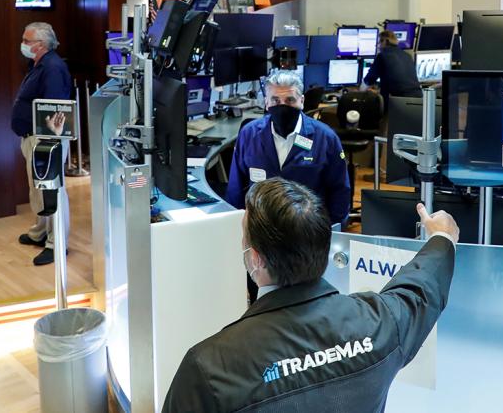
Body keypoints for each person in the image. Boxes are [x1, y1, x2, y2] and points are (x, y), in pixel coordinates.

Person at [162, 177, 458, 413]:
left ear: (255, 259)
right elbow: (420, 288)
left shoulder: (209, 368)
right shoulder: (380, 323)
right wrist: (442, 238)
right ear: (324, 250)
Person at [225, 69, 351, 223]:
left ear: (302, 101)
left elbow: (340, 192)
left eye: (290, 100)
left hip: (306, 229)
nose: (282, 106)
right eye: (275, 101)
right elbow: (235, 189)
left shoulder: (325, 138)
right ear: (266, 102)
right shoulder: (249, 134)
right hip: (262, 227)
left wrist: (331, 232)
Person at [11, 22, 73, 266]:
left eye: (27, 41)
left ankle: (56, 243)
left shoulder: (54, 68)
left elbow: (55, 108)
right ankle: (41, 232)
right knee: (37, 190)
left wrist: (48, 144)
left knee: (51, 191)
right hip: (31, 136)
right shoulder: (37, 64)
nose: (23, 45)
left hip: (47, 139)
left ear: (41, 44)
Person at [361, 30, 422, 108]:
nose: (378, 46)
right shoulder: (407, 55)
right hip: (418, 100)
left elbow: (369, 80)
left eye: (379, 43)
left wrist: (359, 92)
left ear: (385, 41)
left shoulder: (382, 56)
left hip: (398, 103)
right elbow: (400, 83)